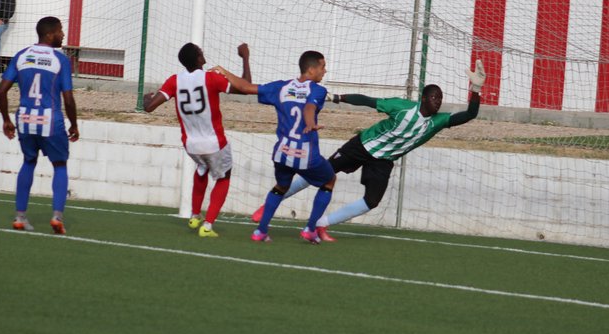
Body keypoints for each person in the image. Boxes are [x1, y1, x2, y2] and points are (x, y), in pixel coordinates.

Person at [249, 60, 487, 241]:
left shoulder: (438, 121)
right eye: (434, 97)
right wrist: (337, 97)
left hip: (384, 160)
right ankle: (267, 208)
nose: (438, 101)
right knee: (322, 172)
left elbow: (469, 114)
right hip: (362, 145)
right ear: (423, 98)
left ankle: (321, 224)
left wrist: (475, 88)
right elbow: (368, 101)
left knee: (372, 201)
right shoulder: (402, 107)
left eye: (440, 99)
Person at [214, 50, 335, 244]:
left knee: (281, 187)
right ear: (311, 70)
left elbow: (245, 87)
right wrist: (310, 123)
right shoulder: (318, 90)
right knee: (329, 181)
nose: (325, 71)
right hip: (305, 153)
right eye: (323, 67)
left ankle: (260, 231)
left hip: (282, 152)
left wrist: (224, 71)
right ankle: (310, 229)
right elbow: (309, 107)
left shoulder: (281, 87)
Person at [143, 43, 251, 238]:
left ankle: (194, 215)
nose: (203, 53)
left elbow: (149, 107)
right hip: (214, 142)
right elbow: (246, 87)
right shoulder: (211, 78)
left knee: (202, 168)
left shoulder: (174, 80)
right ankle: (207, 226)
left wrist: (145, 99)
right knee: (223, 178)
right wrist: (245, 57)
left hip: (191, 145)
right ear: (199, 59)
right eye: (201, 52)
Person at [0, 16, 79, 235]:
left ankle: (20, 217)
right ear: (50, 34)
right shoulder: (59, 60)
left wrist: (6, 119)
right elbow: (68, 99)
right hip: (50, 120)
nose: (63, 34)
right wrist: (74, 124)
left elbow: (1, 91)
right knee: (59, 165)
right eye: (60, 31)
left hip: (24, 118)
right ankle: (57, 217)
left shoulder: (21, 55)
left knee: (28, 162)